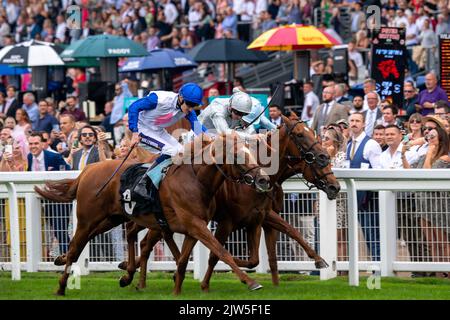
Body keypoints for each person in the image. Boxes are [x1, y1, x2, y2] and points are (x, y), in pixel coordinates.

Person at [128, 83, 206, 199]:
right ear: (180, 97)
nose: (190, 108)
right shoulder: (158, 99)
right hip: (141, 128)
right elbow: (133, 107)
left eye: (194, 105)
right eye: (189, 104)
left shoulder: (188, 110)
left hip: (157, 130)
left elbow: (197, 127)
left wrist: (214, 138)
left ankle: (168, 180)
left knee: (181, 151)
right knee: (172, 151)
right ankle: (143, 183)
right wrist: (134, 132)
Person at [346, 112, 382, 261]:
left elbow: (379, 170)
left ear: (364, 124)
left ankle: (378, 266)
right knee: (366, 233)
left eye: (357, 121)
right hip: (357, 196)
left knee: (373, 232)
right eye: (352, 120)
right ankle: (375, 265)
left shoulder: (371, 144)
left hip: (370, 197)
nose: (354, 123)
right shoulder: (349, 144)